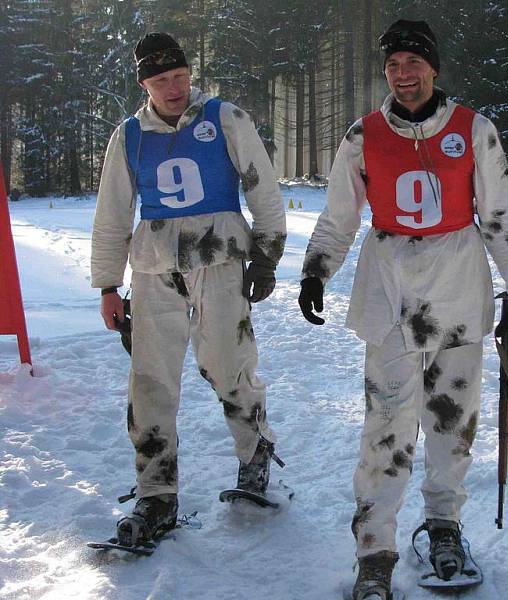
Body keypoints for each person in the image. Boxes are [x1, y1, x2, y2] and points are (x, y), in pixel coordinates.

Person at [298, 19, 508, 600]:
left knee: (452, 422)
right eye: (393, 66)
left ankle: (444, 527)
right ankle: (374, 550)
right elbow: (339, 216)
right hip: (390, 291)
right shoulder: (363, 135)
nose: (404, 75)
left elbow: (503, 217)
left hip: (458, 286)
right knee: (388, 424)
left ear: (433, 67)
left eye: (414, 63)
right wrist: (315, 270)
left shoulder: (473, 130)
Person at [91, 32, 286, 547]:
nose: (173, 88)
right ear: (144, 84)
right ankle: (156, 492)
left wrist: (266, 255)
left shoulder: (224, 118)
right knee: (150, 381)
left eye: (179, 77)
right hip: (154, 269)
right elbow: (112, 214)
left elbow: (263, 187)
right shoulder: (130, 135)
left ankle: (255, 456)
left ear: (189, 75)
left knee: (229, 362)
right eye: (160, 81)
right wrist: (109, 284)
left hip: (218, 260)